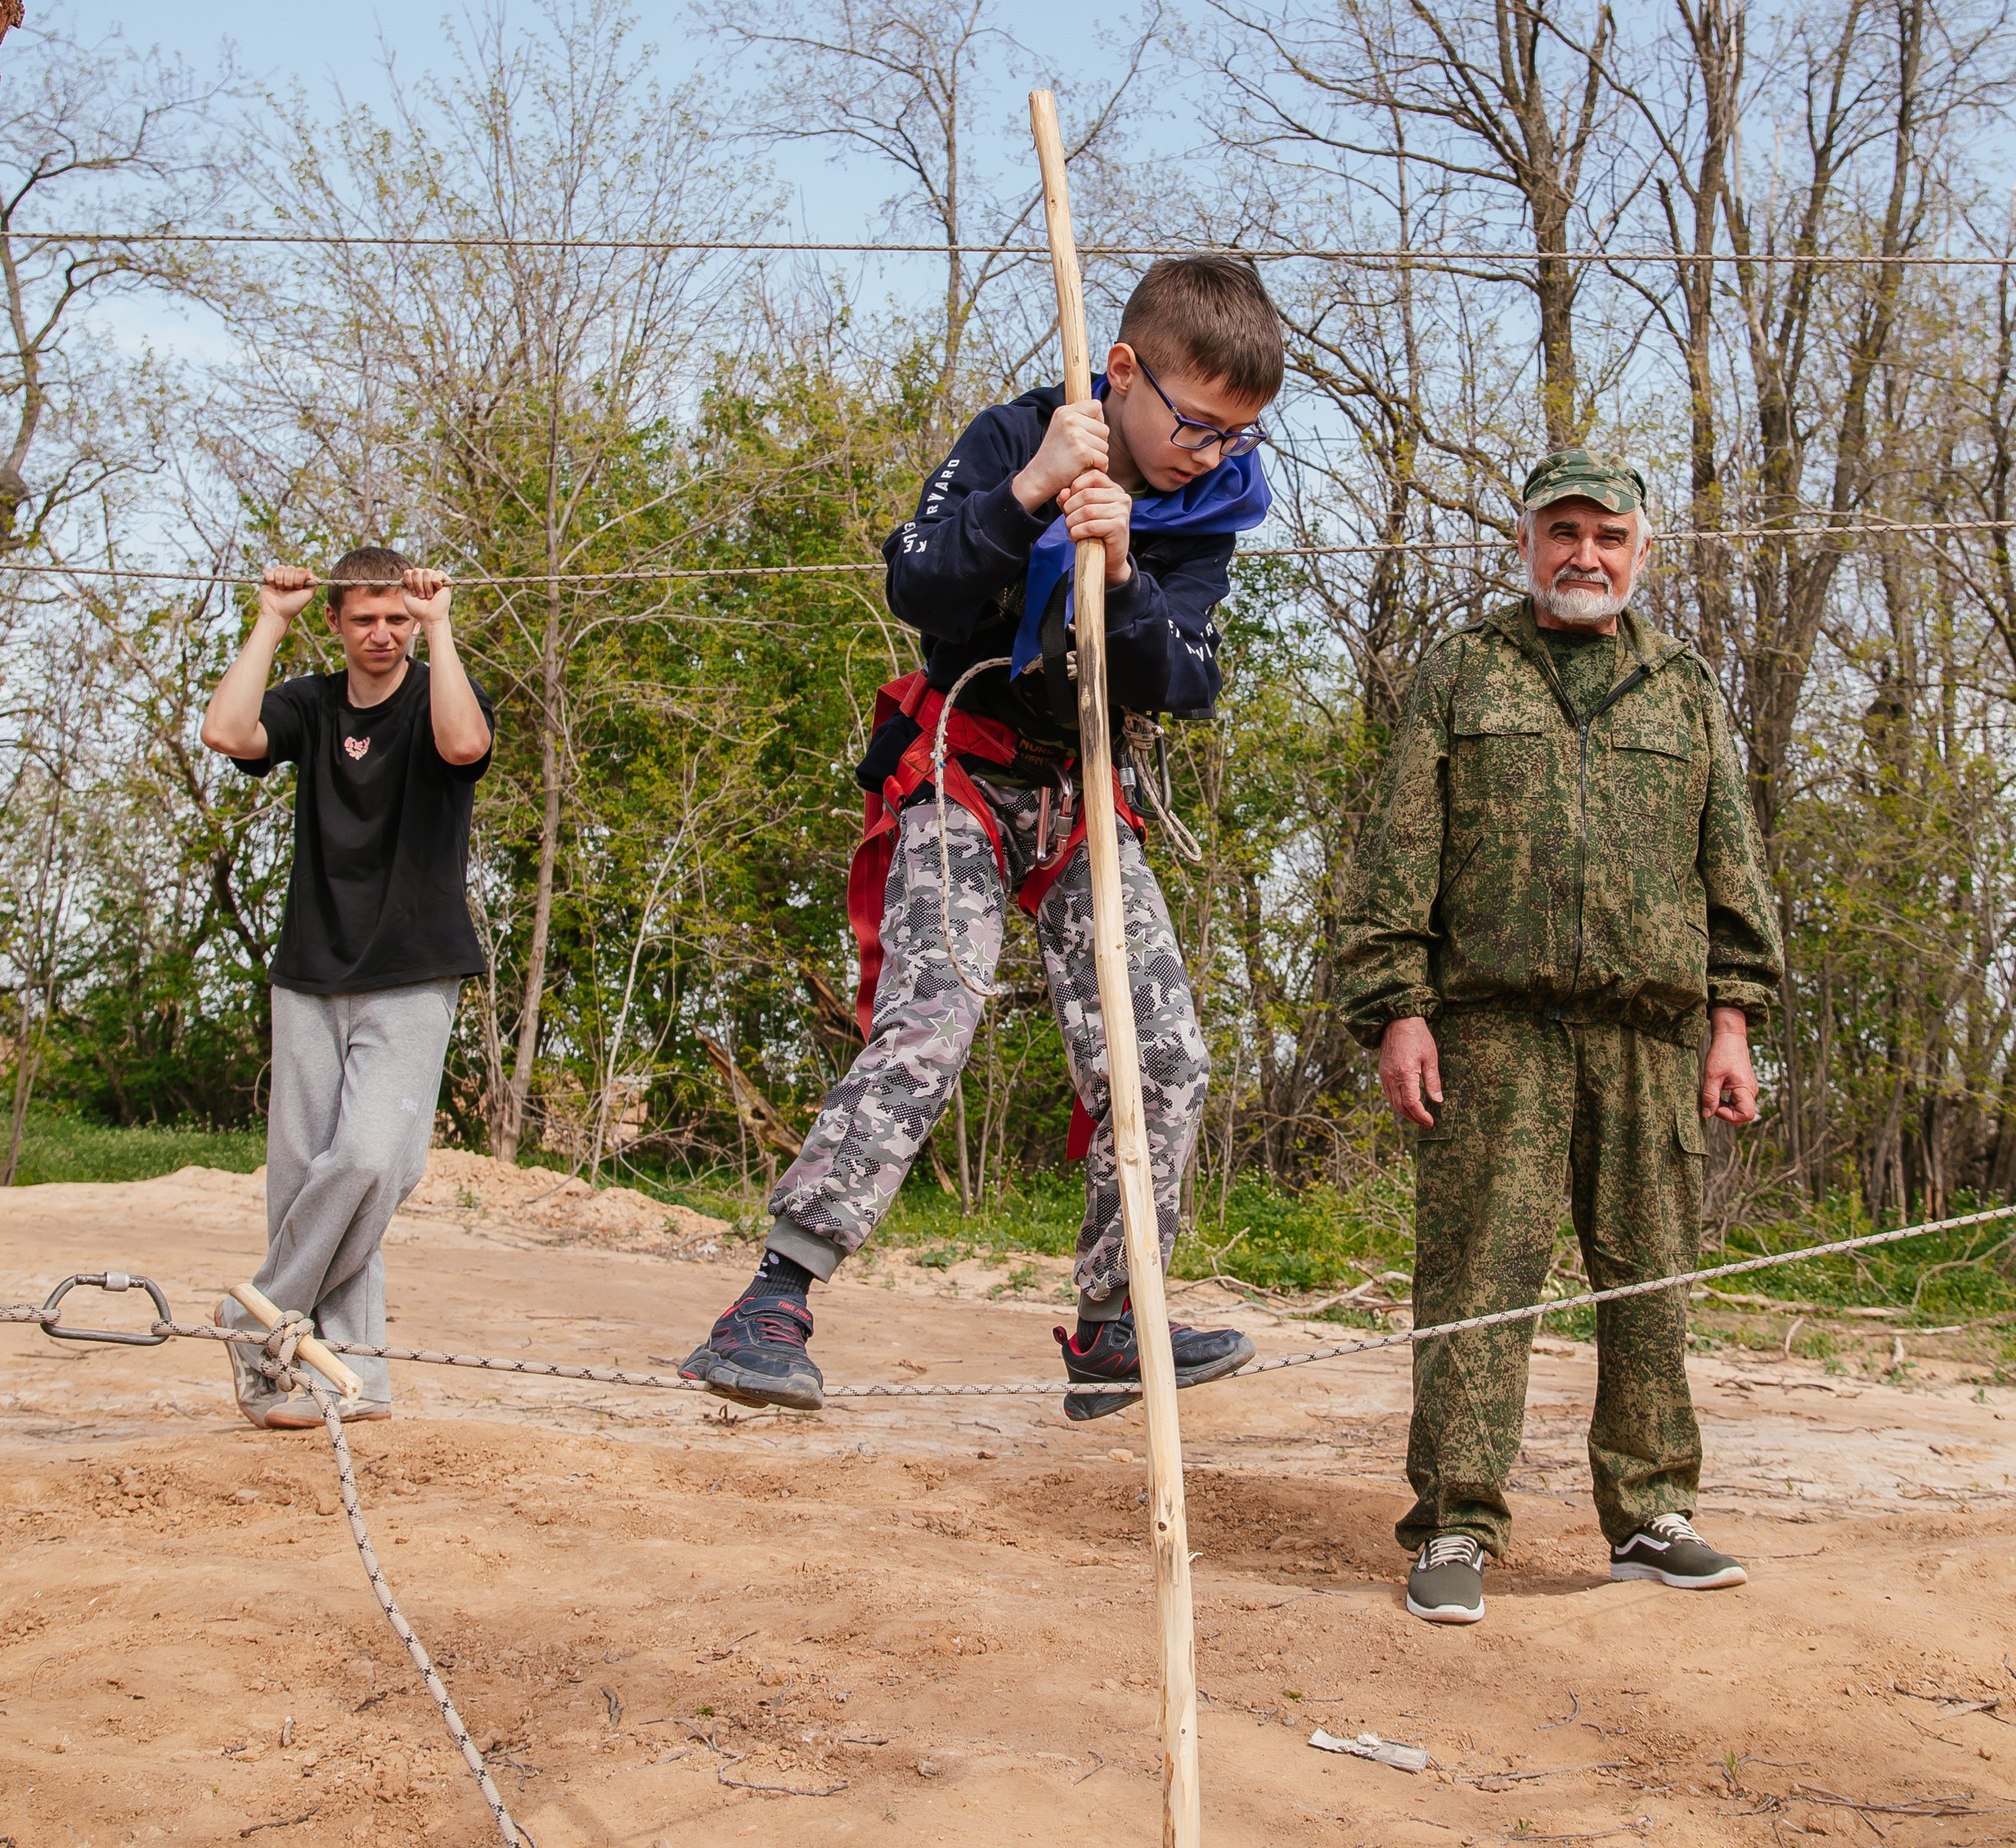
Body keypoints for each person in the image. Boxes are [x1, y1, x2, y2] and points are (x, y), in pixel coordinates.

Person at [682, 253, 1286, 1410]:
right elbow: (921, 587)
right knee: (931, 1020)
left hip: (1086, 794)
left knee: (1166, 1056)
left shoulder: (1205, 511)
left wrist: (1123, 582)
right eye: (1199, 425)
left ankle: (1117, 1323)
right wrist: (1028, 499)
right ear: (1122, 373)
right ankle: (772, 1299)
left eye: (1237, 437)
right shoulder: (1014, 439)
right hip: (962, 771)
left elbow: (1190, 677)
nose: (1212, 455)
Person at [1335, 452, 1784, 1622]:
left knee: (1650, 1282)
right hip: (1493, 1030)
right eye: (1565, 533)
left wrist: (1732, 1022)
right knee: (1478, 1277)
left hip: (1652, 1035)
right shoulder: (1463, 672)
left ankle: (1648, 1514)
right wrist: (1398, 1007)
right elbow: (1397, 852)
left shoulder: (1684, 687)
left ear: (1642, 551)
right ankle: (1454, 1526)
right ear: (1527, 543)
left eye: (1610, 537)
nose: (1587, 556)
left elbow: (1730, 871)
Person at [200, 546, 495, 1426]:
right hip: (309, 969)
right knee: (302, 1182)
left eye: (397, 618)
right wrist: (269, 619)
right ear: (335, 621)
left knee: (371, 1162)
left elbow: (465, 744)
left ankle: (250, 1316)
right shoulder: (312, 704)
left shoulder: (436, 691)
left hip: (412, 967)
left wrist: (443, 630)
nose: (382, 633)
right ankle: (333, 1375)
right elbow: (227, 732)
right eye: (365, 618)